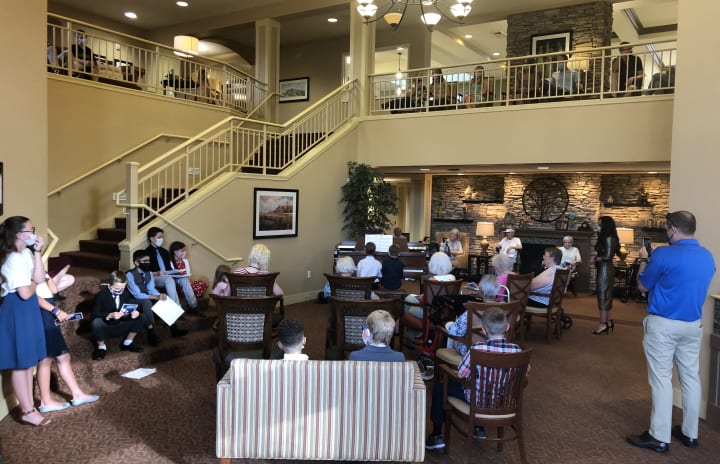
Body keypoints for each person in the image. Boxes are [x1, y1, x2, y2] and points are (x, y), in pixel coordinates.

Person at [626, 211, 715, 453]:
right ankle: (690, 433)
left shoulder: (663, 254)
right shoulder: (708, 257)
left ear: (673, 229)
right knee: (690, 378)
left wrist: (645, 259)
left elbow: (643, 286)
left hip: (664, 325)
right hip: (692, 325)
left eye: (667, 228)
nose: (667, 232)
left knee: (661, 380)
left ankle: (659, 436)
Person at [426, 307, 522, 450]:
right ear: (507, 327)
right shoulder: (517, 351)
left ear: (483, 330)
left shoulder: (477, 349)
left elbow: (461, 374)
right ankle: (479, 428)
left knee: (440, 388)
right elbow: (523, 374)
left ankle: (437, 436)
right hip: (501, 401)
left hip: (475, 400)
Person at [0, 217, 51, 426]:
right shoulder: (11, 257)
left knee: (28, 361)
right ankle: (27, 410)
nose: (34, 232)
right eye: (32, 229)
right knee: (21, 364)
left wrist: (38, 252)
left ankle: (30, 407)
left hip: (27, 308)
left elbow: (39, 279)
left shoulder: (26, 253)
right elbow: (24, 292)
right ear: (20, 235)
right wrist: (31, 282)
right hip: (17, 308)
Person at [36, 277, 99, 411]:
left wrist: (47, 276)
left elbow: (53, 289)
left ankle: (77, 394)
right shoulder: (27, 266)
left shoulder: (39, 268)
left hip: (49, 306)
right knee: (46, 358)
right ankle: (45, 402)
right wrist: (56, 311)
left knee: (63, 356)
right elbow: (33, 297)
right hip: (43, 310)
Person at [126, 250, 188, 342]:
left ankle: (174, 327)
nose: (148, 263)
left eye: (148, 261)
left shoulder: (149, 273)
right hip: (133, 299)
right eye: (145, 261)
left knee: (162, 298)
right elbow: (137, 294)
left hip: (146, 296)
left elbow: (151, 289)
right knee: (147, 302)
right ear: (136, 263)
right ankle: (151, 332)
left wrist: (160, 295)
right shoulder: (129, 274)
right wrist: (155, 297)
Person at [91, 270, 148, 360]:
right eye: (117, 288)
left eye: (122, 288)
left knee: (141, 317)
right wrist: (110, 315)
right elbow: (93, 315)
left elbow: (128, 308)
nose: (119, 291)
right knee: (96, 322)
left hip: (122, 323)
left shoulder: (125, 294)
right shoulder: (101, 296)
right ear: (109, 285)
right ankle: (101, 347)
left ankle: (128, 342)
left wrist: (134, 314)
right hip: (107, 325)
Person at [446, 274, 501, 356]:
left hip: (472, 351)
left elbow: (454, 331)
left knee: (449, 326)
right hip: (496, 349)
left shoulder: (473, 309)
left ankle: (450, 359)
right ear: (497, 290)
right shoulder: (504, 308)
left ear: (481, 291)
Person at [145, 227, 199, 313]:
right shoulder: (146, 253)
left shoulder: (164, 251)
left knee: (184, 279)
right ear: (151, 238)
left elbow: (169, 268)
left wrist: (176, 272)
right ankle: (177, 309)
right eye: (159, 237)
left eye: (162, 237)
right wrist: (158, 273)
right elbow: (146, 272)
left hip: (167, 275)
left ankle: (194, 306)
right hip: (156, 277)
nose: (161, 239)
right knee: (169, 279)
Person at [593, 216, 620, 335]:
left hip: (605, 269)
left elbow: (607, 257)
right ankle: (607, 321)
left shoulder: (609, 238)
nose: (598, 227)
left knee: (603, 295)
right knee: (605, 294)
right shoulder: (608, 238)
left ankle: (603, 324)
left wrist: (596, 258)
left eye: (600, 224)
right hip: (604, 269)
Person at [168, 241, 208, 311]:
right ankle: (193, 304)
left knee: (202, 283)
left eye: (185, 250)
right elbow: (173, 275)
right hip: (178, 284)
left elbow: (188, 273)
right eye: (182, 250)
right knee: (184, 282)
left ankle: (192, 298)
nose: (184, 252)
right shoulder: (170, 262)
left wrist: (188, 281)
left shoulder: (185, 261)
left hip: (187, 283)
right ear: (175, 252)